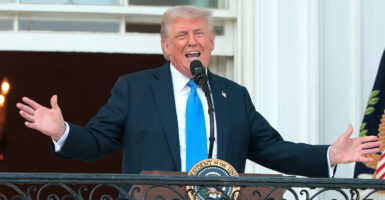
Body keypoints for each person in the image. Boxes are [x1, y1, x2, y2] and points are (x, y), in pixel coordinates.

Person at [17, 5, 380, 178]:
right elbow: (98, 142)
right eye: (182, 35)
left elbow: (273, 149)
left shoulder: (233, 96)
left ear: (212, 43)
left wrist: (329, 154)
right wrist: (62, 132)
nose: (193, 41)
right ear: (166, 47)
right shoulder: (135, 89)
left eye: (200, 34)